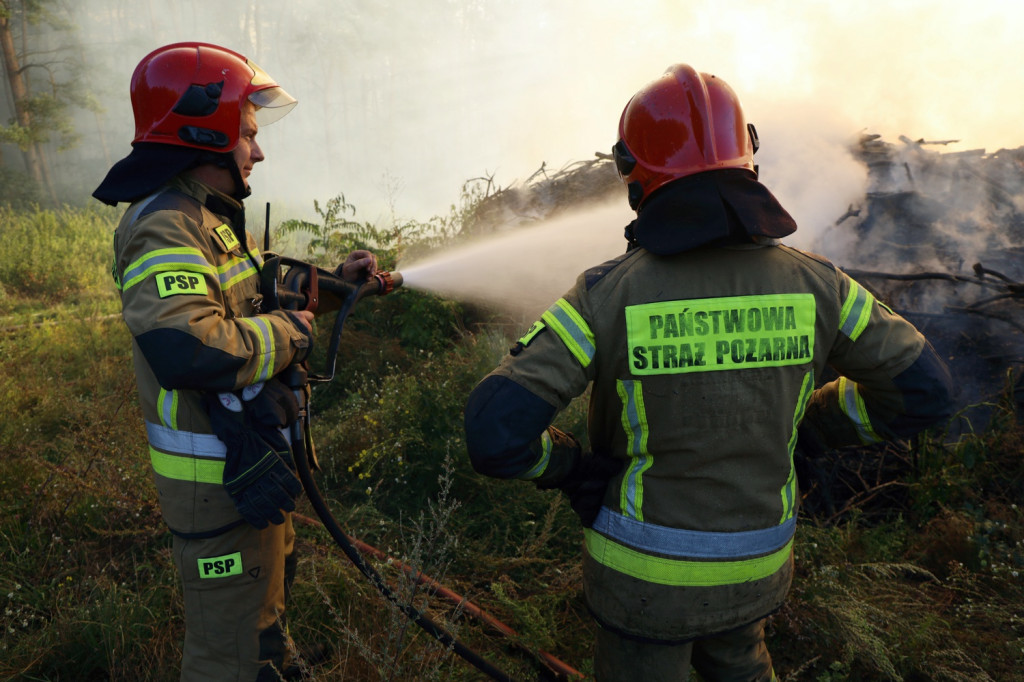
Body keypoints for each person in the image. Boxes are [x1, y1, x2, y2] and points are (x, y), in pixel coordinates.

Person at [463, 64, 954, 681]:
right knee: (743, 663)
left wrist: (569, 468)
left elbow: (495, 430)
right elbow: (924, 392)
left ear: (634, 173)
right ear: (746, 157)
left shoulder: (606, 295)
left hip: (641, 582)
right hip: (757, 569)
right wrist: (816, 429)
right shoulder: (820, 285)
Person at [94, 42, 376, 681]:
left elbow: (255, 297)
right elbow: (186, 343)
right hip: (214, 481)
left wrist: (338, 284)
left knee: (263, 603)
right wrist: (291, 336)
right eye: (249, 134)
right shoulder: (166, 225)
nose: (258, 151)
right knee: (227, 653)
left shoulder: (206, 218)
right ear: (205, 132)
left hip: (249, 461)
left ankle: (274, 662)